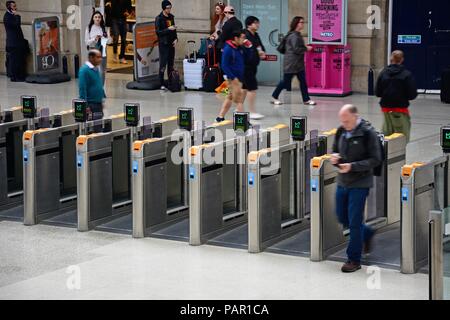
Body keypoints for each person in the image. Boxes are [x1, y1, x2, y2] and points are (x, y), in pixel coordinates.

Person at [331, 105, 383, 273]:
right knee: (342, 216)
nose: (344, 124)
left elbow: (376, 159)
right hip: (343, 181)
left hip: (360, 183)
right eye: (342, 120)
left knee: (354, 221)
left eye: (346, 120)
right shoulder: (341, 130)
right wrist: (334, 157)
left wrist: (352, 166)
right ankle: (367, 233)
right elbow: (335, 150)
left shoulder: (368, 133)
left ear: (355, 116)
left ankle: (354, 259)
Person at [271, 16, 316, 106]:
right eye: (301, 22)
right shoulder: (294, 35)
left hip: (298, 64)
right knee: (285, 82)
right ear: (296, 24)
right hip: (291, 64)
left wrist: (304, 48)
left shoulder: (296, 34)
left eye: (303, 22)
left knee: (303, 82)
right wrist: (306, 48)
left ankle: (306, 99)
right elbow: (296, 49)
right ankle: (274, 96)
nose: (303, 24)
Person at [376, 50, 418, 143]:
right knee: (401, 135)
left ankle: (386, 154)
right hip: (400, 108)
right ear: (402, 59)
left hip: (386, 108)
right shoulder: (406, 74)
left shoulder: (383, 73)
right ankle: (399, 155)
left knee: (386, 133)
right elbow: (412, 94)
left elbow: (378, 92)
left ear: (391, 59)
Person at [216, 30, 246, 122]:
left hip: (240, 77)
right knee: (239, 99)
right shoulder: (228, 49)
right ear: (236, 38)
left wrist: (248, 46)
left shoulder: (239, 48)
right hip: (233, 78)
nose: (244, 39)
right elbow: (224, 65)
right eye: (242, 38)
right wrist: (233, 78)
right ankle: (243, 121)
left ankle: (220, 117)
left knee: (230, 97)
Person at [242, 16, 266, 120]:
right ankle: (252, 111)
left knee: (244, 88)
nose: (257, 25)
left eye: (258, 23)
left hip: (253, 65)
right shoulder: (244, 36)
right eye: (255, 23)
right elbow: (248, 49)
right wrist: (257, 52)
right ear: (249, 25)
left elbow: (260, 47)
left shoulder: (256, 35)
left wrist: (261, 52)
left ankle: (239, 109)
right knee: (252, 88)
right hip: (246, 66)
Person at [3, 1, 29, 82]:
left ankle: (20, 76)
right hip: (13, 43)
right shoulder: (7, 16)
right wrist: (17, 16)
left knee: (18, 60)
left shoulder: (11, 16)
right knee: (14, 61)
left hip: (18, 42)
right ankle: (14, 77)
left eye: (15, 6)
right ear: (9, 7)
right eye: (13, 6)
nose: (15, 7)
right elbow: (16, 24)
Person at [155, 0, 178, 91]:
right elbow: (158, 32)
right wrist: (168, 29)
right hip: (164, 44)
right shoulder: (159, 18)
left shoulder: (171, 17)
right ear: (164, 8)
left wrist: (176, 39)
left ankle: (170, 82)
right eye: (167, 8)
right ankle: (161, 83)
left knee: (170, 64)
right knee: (163, 64)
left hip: (171, 43)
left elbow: (174, 30)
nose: (169, 10)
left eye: (170, 8)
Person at [78, 50, 106, 121]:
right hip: (91, 104)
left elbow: (98, 84)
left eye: (101, 57)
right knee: (94, 127)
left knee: (98, 124)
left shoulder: (96, 69)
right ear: (91, 57)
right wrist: (85, 105)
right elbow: (82, 88)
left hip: (98, 103)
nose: (100, 59)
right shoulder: (84, 70)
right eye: (98, 57)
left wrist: (101, 99)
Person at [85, 11, 109, 85]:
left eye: (99, 17)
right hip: (93, 50)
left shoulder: (104, 28)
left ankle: (100, 89)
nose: (97, 19)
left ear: (101, 18)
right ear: (93, 18)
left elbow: (110, 41)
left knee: (102, 71)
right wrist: (94, 39)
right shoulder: (89, 28)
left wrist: (104, 38)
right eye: (96, 17)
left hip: (102, 50)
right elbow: (86, 42)